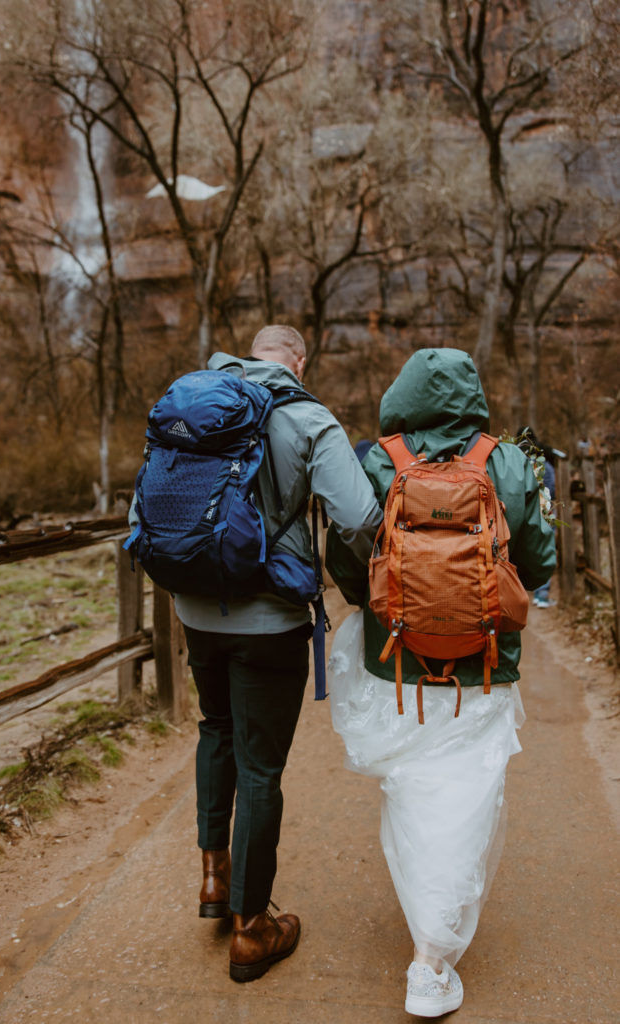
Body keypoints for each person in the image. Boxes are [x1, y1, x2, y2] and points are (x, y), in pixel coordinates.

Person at [326, 348, 556, 1017]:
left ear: (400, 394)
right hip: (483, 663)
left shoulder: (377, 460)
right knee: (465, 796)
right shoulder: (507, 461)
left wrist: (375, 604)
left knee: (413, 789)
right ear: (473, 394)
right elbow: (538, 558)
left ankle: (428, 936)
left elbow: (346, 554)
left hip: (394, 659)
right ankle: (430, 957)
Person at [173, 325, 382, 982]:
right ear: (298, 361)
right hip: (271, 621)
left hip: (196, 611)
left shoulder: (193, 402)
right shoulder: (307, 416)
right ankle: (251, 927)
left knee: (215, 728)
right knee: (260, 768)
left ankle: (214, 877)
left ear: (245, 356)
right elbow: (359, 516)